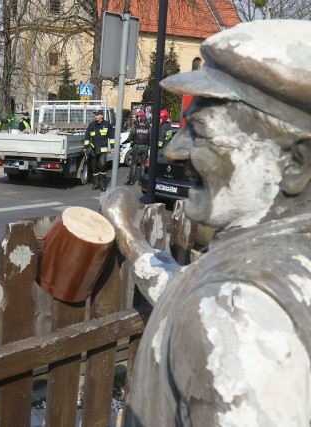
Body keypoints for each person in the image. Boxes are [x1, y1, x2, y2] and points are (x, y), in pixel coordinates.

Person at [101, 20, 311, 426]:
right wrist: (129, 236)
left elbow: (219, 305)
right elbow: (184, 284)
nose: (174, 152)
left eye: (200, 134)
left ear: (295, 163)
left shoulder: (234, 317)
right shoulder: (278, 262)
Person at [83, 109, 115, 191]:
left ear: (102, 116)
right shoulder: (91, 125)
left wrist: (112, 147)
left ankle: (102, 184)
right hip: (93, 150)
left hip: (103, 150)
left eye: (97, 115)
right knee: (94, 167)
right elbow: (87, 137)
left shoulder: (107, 124)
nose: (95, 116)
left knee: (102, 165)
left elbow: (111, 136)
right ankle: (96, 183)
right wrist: (86, 147)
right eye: (95, 115)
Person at [124, 113, 150, 186]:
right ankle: (141, 181)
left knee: (134, 164)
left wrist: (126, 142)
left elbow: (129, 138)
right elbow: (151, 139)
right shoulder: (149, 129)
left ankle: (131, 181)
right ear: (146, 121)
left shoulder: (135, 128)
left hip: (136, 148)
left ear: (139, 120)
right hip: (145, 148)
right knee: (143, 165)